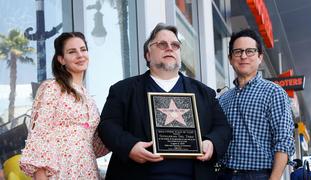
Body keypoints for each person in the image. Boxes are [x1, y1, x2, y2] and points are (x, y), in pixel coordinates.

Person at [98, 23, 232, 180]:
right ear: (148, 55)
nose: (170, 48)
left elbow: (222, 128)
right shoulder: (122, 90)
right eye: (162, 44)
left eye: (175, 45)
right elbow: (107, 126)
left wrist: (211, 143)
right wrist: (130, 147)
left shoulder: (205, 93)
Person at [19, 32, 108, 179]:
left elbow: (96, 146)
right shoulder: (52, 88)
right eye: (72, 52)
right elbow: (40, 139)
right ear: (61, 59)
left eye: (83, 49)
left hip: (87, 171)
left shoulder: (89, 100)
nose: (80, 55)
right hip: (60, 171)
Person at [218, 28, 295, 180]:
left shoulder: (274, 92)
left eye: (250, 51)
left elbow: (284, 141)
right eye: (238, 52)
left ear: (260, 57)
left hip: (259, 175)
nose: (243, 56)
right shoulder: (223, 99)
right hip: (224, 174)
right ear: (230, 58)